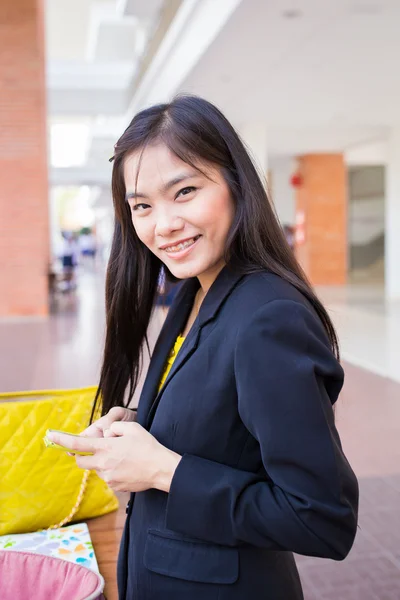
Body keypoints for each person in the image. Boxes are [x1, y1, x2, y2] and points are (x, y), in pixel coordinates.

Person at [47, 95, 359, 600]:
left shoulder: (268, 317)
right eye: (142, 205)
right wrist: (142, 426)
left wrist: (162, 469)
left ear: (236, 185)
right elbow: (226, 427)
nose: (162, 224)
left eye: (185, 191)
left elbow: (322, 519)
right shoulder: (194, 291)